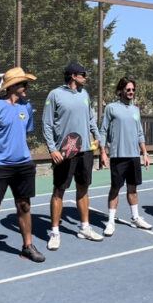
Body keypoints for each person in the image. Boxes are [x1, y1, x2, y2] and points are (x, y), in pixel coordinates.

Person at [0, 67, 46, 276]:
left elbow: (23, 132)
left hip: (24, 165)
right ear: (12, 86)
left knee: (24, 206)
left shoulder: (27, 107)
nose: (27, 87)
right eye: (23, 83)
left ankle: (27, 246)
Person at [43, 62, 103, 249]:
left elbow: (91, 119)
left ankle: (84, 227)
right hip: (65, 152)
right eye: (83, 74)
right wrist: (52, 149)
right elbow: (46, 123)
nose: (86, 77)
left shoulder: (84, 94)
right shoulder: (55, 95)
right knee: (59, 190)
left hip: (85, 151)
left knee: (83, 188)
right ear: (73, 76)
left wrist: (98, 139)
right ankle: (54, 232)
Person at [99, 77, 153, 236]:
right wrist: (103, 152)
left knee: (133, 189)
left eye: (133, 90)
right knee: (115, 189)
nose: (131, 92)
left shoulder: (136, 110)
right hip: (117, 156)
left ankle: (135, 217)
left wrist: (145, 153)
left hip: (134, 156)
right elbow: (103, 131)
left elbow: (139, 133)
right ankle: (110, 222)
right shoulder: (111, 108)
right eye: (128, 89)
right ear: (121, 90)